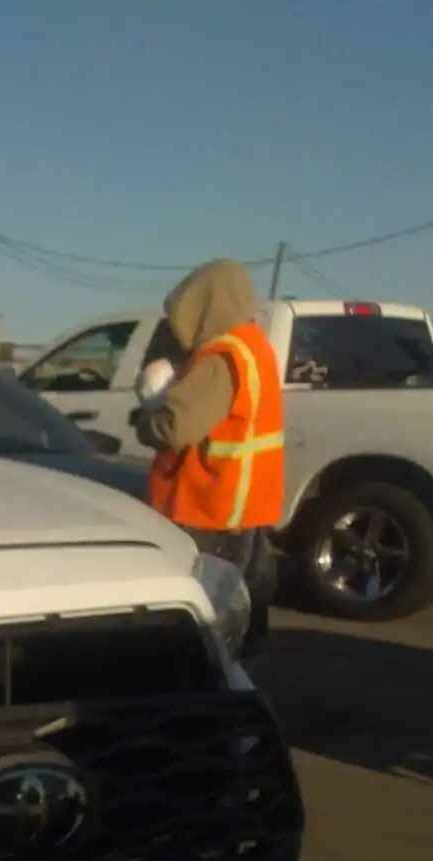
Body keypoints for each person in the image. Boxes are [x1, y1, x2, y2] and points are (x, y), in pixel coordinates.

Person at [132, 259, 285, 655]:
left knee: (198, 630)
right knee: (232, 626)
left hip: (207, 511)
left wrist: (147, 418)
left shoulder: (221, 356)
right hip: (241, 512)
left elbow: (176, 426)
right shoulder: (255, 347)